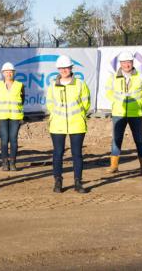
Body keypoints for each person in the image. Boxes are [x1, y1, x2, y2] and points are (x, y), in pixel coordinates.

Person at [46, 55, 91, 193]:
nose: (64, 70)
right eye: (61, 68)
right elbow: (50, 104)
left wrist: (80, 115)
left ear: (71, 68)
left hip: (76, 124)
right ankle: (58, 181)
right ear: (58, 69)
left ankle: (78, 182)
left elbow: (86, 103)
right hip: (57, 125)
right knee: (58, 153)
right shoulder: (53, 85)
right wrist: (55, 116)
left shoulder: (80, 84)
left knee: (77, 154)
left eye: (66, 67)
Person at [105, 51, 142, 176]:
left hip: (135, 114)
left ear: (132, 62)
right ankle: (114, 165)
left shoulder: (141, 76)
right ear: (120, 64)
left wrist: (140, 103)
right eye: (124, 62)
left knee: (139, 140)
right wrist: (116, 103)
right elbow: (108, 92)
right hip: (118, 113)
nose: (127, 64)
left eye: (129, 62)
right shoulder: (113, 77)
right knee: (116, 139)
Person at [0, 62, 25, 171]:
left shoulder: (20, 85)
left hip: (15, 117)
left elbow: (22, 100)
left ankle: (13, 163)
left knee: (13, 140)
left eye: (10, 71)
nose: (9, 73)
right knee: (4, 140)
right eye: (6, 72)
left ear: (14, 73)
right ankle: (5, 163)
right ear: (3, 73)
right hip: (2, 116)